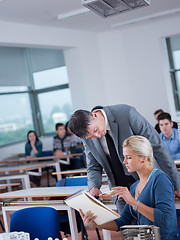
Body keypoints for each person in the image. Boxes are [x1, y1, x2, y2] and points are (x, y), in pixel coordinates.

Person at [69, 104, 180, 214]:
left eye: (95, 130)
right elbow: (93, 166)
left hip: (145, 182)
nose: (97, 136)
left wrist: (176, 184)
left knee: (153, 225)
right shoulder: (86, 136)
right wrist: (93, 187)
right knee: (128, 229)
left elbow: (157, 146)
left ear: (95, 115)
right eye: (91, 136)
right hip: (119, 189)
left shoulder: (126, 114)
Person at [79, 136, 178, 239]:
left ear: (143, 157)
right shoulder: (135, 186)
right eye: (124, 157)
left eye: (129, 157)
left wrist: (133, 202)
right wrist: (96, 224)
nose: (124, 161)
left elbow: (165, 219)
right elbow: (122, 222)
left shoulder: (160, 179)